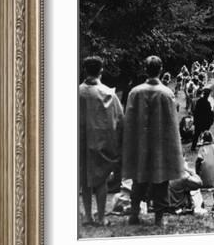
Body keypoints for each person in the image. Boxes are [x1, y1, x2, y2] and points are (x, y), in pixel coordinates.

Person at [122, 56, 184, 226]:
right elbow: (172, 124)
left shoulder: (135, 92)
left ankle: (134, 214)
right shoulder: (167, 93)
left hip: (140, 144)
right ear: (161, 69)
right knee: (161, 180)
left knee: (138, 179)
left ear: (145, 69)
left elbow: (129, 121)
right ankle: (159, 217)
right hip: (160, 145)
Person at [79, 56, 124, 226]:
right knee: (101, 180)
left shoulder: (77, 92)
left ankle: (88, 216)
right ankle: (101, 217)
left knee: (85, 179)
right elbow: (120, 119)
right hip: (102, 142)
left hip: (81, 142)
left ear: (85, 70)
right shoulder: (109, 94)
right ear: (101, 71)